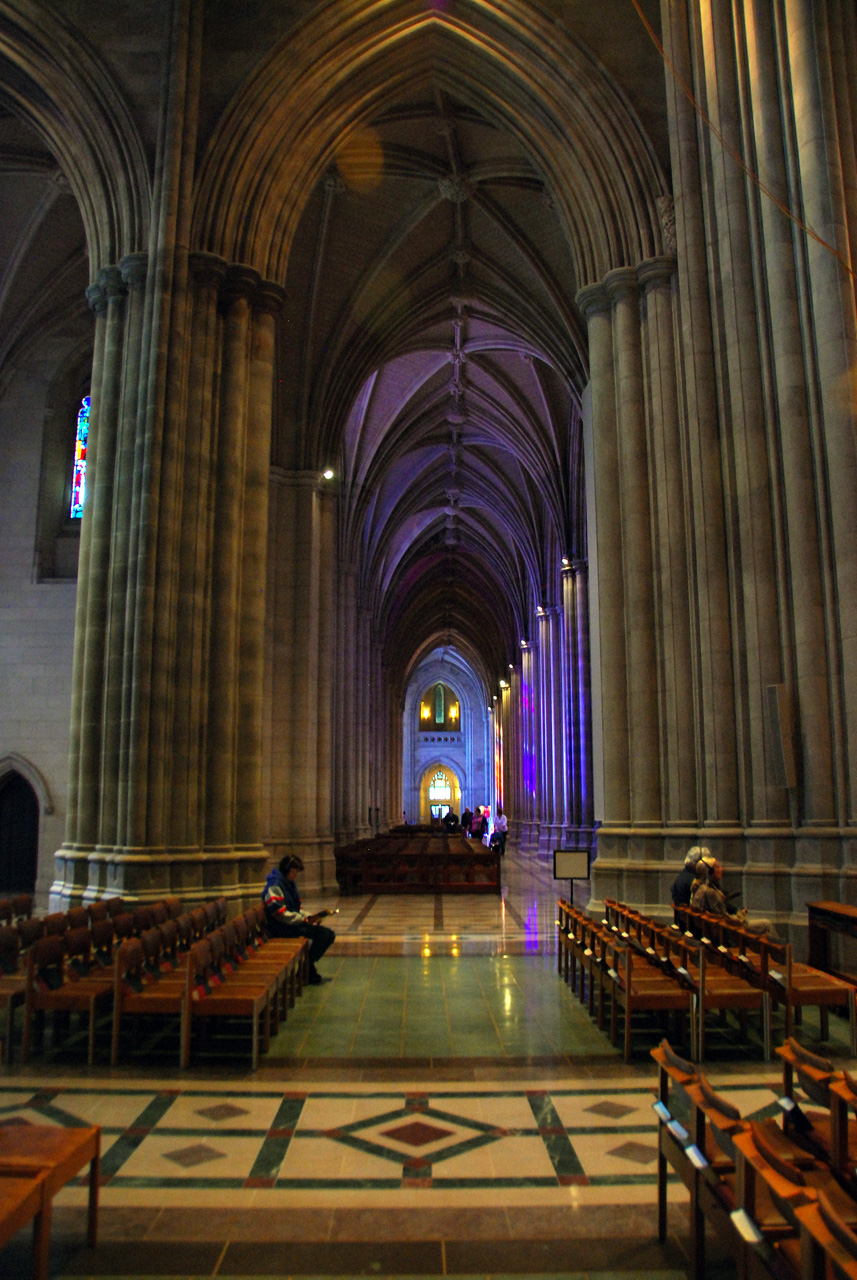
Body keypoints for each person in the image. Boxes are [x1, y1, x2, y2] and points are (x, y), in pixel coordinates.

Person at [262, 854, 336, 984]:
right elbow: (280, 914)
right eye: (293, 871)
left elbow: (296, 908)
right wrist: (303, 919)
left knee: (329, 935)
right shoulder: (275, 885)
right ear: (286, 869)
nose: (295, 875)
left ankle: (307, 968)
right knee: (323, 935)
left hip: (290, 924)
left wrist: (311, 917)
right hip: (280, 928)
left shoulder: (288, 883)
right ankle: (306, 969)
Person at [690, 853, 776, 936]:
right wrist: (740, 915)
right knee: (766, 924)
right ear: (710, 872)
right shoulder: (710, 892)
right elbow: (725, 919)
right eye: (718, 867)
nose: (721, 869)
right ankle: (781, 950)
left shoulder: (699, 888)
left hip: (713, 930)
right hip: (727, 932)